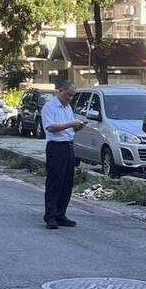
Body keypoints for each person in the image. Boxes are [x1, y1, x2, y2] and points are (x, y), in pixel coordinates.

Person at [41, 81, 85, 229]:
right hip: (56, 147)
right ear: (61, 90)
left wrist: (76, 127)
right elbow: (50, 127)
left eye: (72, 96)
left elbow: (69, 128)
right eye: (68, 95)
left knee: (67, 182)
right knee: (55, 182)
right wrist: (71, 124)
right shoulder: (50, 107)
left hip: (68, 145)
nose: (70, 98)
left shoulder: (68, 108)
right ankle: (50, 216)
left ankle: (61, 213)